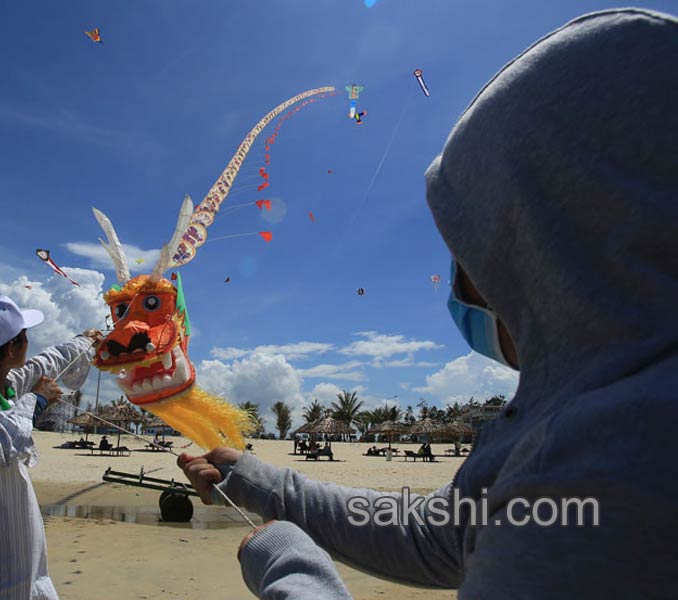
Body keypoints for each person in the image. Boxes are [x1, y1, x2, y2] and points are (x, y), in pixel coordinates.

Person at [179, 9, 678, 599]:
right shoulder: (599, 417)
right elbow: (440, 535)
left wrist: (290, 569)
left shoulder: (601, 466)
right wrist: (260, 483)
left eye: (466, 248)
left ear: (534, 249)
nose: (457, 285)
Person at [0, 292, 103, 600]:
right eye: (25, 337)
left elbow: (48, 362)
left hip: (27, 576)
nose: (29, 344)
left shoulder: (1, 383)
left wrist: (84, 340)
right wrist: (36, 402)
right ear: (12, 347)